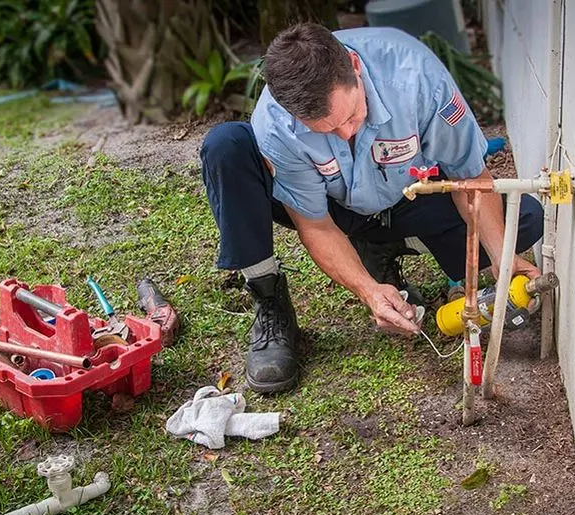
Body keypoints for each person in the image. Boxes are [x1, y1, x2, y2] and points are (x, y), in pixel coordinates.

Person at [200, 23, 543, 394]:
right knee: (226, 146)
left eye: (351, 117)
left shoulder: (418, 79)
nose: (346, 135)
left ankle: (384, 245)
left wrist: (499, 259)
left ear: (354, 66)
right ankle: (271, 304)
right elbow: (316, 225)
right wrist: (369, 291)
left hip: (407, 197)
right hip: (334, 212)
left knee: (523, 221)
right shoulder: (277, 124)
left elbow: (471, 178)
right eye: (325, 131)